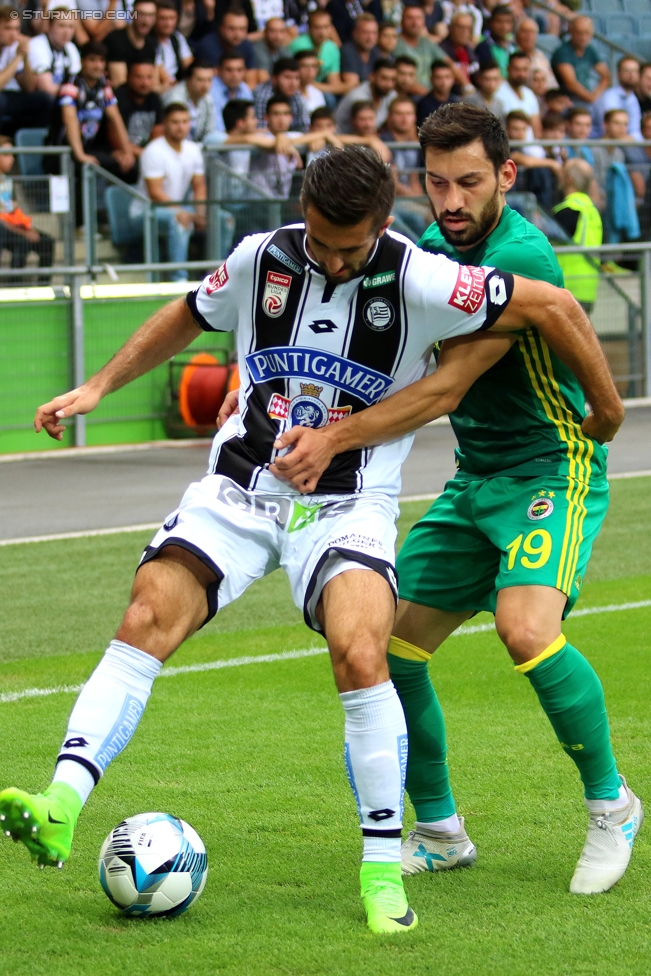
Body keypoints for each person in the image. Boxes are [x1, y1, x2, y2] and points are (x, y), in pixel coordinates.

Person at [2, 145, 624, 937]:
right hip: (239, 492)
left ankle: (380, 869)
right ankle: (60, 800)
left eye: (349, 246)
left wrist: (604, 412)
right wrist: (97, 386)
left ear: (382, 219)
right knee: (144, 618)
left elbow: (556, 309)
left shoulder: (423, 276)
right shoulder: (261, 257)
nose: (331, 259)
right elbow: (188, 312)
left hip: (349, 505)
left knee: (363, 655)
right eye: (321, 241)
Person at [255, 107, 639, 900]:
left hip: (546, 467)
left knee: (525, 629)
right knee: (387, 654)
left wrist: (335, 436)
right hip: (474, 478)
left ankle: (612, 805)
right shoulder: (427, 250)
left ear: (504, 174)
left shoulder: (520, 253)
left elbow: (445, 385)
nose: (452, 199)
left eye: (469, 181)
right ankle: (439, 832)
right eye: (436, 183)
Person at [46, 40, 137, 218]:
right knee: (81, 167)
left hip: (91, 149)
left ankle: (119, 219)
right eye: (92, 60)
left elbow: (115, 118)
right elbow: (69, 119)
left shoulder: (103, 85)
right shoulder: (70, 85)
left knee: (131, 168)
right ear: (82, 62)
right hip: (62, 152)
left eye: (101, 61)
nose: (97, 65)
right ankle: (80, 224)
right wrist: (80, 154)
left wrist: (127, 152)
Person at [131, 102, 206, 280]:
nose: (181, 127)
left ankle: (217, 276)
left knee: (221, 218)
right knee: (181, 220)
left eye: (185, 121)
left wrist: (201, 212)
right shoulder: (153, 151)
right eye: (175, 122)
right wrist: (186, 213)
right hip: (146, 212)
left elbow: (199, 186)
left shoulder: (193, 149)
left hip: (178, 208)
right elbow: (155, 194)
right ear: (165, 123)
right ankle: (178, 279)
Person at [0, 134, 54, 281]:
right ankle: (15, 286)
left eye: (12, 154)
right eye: (6, 155)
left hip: (12, 227)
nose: (12, 159)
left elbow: (13, 212)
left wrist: (28, 229)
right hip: (2, 230)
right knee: (22, 241)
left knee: (46, 241)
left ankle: (44, 287)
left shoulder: (7, 182)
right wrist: (24, 233)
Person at [553, 158, 602, 315]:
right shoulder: (592, 211)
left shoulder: (567, 211)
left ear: (569, 179)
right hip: (588, 291)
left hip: (566, 291)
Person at [381, 94, 429, 238]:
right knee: (420, 219)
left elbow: (414, 179)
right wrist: (418, 200)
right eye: (399, 114)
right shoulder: (383, 142)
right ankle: (420, 250)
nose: (404, 118)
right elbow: (392, 183)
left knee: (433, 217)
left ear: (414, 117)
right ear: (390, 117)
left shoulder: (415, 143)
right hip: (392, 201)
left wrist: (422, 200)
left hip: (409, 198)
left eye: (408, 114)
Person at [0, 6, 51, 132]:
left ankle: (26, 139)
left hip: (12, 96)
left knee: (44, 99)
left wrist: (26, 58)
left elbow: (29, 88)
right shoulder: (14, 51)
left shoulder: (13, 47)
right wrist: (18, 57)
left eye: (16, 29)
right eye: (8, 28)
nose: (14, 34)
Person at [551, 16, 610, 114]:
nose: (583, 37)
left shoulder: (589, 50)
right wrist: (591, 98)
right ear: (571, 32)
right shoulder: (563, 52)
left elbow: (605, 76)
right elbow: (571, 84)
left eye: (587, 32)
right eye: (579, 32)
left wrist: (595, 95)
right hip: (568, 99)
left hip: (587, 98)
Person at [506, 109, 559, 209]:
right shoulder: (505, 147)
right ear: (507, 129)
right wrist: (552, 163)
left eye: (523, 129)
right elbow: (522, 160)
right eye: (515, 129)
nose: (520, 133)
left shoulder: (524, 147)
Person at [195, 5, 256, 86]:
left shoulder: (246, 45)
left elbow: (251, 79)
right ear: (221, 28)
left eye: (242, 29)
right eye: (232, 28)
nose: (237, 34)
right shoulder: (207, 46)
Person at [28, 6, 81, 98]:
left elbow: (77, 81)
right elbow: (46, 88)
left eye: (71, 27)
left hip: (62, 97)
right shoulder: (37, 45)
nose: (67, 32)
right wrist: (75, 92)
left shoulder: (71, 47)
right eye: (62, 26)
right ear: (50, 26)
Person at [393, 5, 449, 93]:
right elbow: (404, 81)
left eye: (418, 18)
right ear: (402, 21)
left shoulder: (426, 42)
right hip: (411, 96)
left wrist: (467, 86)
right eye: (410, 18)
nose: (415, 23)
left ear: (424, 21)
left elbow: (448, 62)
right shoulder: (395, 43)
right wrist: (430, 97)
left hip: (432, 93)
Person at [116, 59, 165, 158]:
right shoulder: (119, 98)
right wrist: (147, 156)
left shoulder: (155, 99)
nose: (145, 83)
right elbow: (116, 140)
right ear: (128, 77)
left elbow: (157, 135)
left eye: (149, 77)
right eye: (139, 77)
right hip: (124, 151)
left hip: (146, 153)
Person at [289, 10, 344, 97]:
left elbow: (334, 84)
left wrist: (314, 87)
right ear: (309, 28)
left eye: (326, 27)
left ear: (331, 28)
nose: (322, 32)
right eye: (317, 28)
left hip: (319, 90)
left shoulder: (332, 48)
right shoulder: (298, 45)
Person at [104, 0, 158, 89]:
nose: (146, 20)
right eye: (141, 14)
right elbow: (120, 85)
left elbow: (152, 82)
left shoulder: (151, 44)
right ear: (132, 15)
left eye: (151, 15)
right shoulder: (116, 40)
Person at [334, 58, 396, 134]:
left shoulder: (391, 95)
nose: (389, 84)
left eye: (393, 80)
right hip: (343, 139)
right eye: (384, 78)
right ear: (372, 76)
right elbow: (363, 131)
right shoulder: (357, 97)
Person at [163, 58, 215, 142]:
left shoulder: (208, 98)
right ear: (188, 79)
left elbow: (210, 131)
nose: (205, 85)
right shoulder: (174, 98)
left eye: (209, 80)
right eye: (200, 80)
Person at [253, 55, 309, 130]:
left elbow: (303, 127)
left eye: (297, 78)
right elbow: (260, 129)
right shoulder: (263, 95)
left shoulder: (297, 95)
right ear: (274, 79)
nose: (293, 83)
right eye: (287, 77)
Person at [594, 56, 642, 142]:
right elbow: (613, 132)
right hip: (602, 144)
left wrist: (634, 138)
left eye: (635, 71)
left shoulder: (633, 98)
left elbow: (635, 131)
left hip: (624, 143)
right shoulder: (609, 96)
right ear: (618, 74)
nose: (631, 74)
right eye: (627, 70)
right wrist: (633, 139)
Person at [497, 52, 542, 138]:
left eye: (525, 70)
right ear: (508, 69)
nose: (521, 74)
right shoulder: (498, 92)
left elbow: (537, 128)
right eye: (517, 69)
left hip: (531, 146)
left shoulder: (530, 94)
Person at [154, 0, 194, 90]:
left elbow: (189, 64)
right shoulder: (150, 41)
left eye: (172, 18)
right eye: (163, 19)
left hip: (178, 84)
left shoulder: (177, 37)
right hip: (164, 87)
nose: (168, 23)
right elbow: (164, 76)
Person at [210, 52, 253, 131]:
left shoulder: (244, 88)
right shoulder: (210, 89)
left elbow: (250, 120)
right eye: (229, 70)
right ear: (219, 70)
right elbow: (217, 129)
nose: (234, 74)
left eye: (239, 70)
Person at [340, 12, 381, 90]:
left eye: (374, 33)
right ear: (355, 33)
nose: (370, 38)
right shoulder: (348, 51)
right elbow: (352, 86)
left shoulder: (376, 52)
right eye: (365, 32)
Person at [515, 17, 555, 92]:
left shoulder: (540, 55)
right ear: (517, 34)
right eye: (525, 31)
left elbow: (551, 82)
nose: (529, 36)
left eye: (532, 32)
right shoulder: (512, 53)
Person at [475, 5, 516, 79]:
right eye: (499, 21)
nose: (504, 26)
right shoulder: (484, 47)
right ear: (491, 23)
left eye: (508, 22)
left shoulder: (514, 47)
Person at [439, 13, 478, 91]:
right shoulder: (441, 49)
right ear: (451, 28)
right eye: (460, 27)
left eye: (468, 29)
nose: (464, 32)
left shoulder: (471, 51)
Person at [416, 60, 459, 127]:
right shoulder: (424, 105)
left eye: (447, 77)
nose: (443, 82)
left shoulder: (456, 102)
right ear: (431, 79)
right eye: (438, 78)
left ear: (453, 79)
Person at [252, 15, 290, 82]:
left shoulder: (282, 49)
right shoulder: (257, 49)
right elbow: (263, 80)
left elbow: (290, 72)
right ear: (265, 32)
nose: (277, 36)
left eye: (281, 32)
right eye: (273, 31)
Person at [295, 48, 326, 116]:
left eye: (314, 66)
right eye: (305, 66)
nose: (310, 71)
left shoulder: (317, 93)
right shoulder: (291, 93)